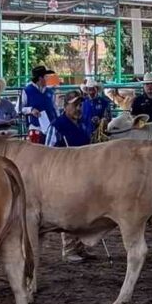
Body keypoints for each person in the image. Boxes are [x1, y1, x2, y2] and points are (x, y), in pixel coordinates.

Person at [46, 92, 94, 262]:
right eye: (75, 105)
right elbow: (48, 153)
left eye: (80, 105)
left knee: (82, 211)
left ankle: (80, 247)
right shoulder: (57, 126)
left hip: (82, 173)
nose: (78, 108)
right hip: (63, 175)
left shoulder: (82, 125)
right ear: (65, 106)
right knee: (69, 211)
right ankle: (69, 249)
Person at [21, 66, 58, 144]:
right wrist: (31, 110)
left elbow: (55, 108)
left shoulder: (50, 92)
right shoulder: (27, 91)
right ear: (40, 78)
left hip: (51, 127)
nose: (48, 79)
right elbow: (20, 108)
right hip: (35, 127)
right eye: (46, 77)